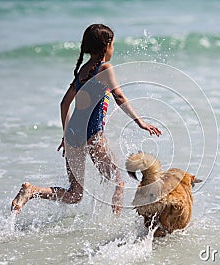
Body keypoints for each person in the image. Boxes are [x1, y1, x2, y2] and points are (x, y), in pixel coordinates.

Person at [11, 24, 161, 215]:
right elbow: (119, 97)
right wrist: (140, 121)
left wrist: (66, 135)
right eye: (113, 44)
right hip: (92, 134)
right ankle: (116, 227)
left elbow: (64, 104)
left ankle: (32, 191)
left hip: (73, 134)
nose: (113, 49)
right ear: (106, 46)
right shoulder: (105, 68)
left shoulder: (83, 70)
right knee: (118, 181)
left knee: (75, 194)